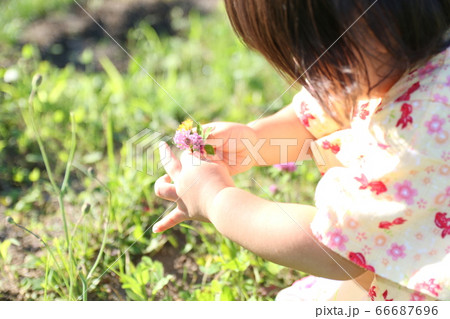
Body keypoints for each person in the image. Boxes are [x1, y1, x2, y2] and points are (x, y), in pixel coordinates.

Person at [153, 0, 450, 301]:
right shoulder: (386, 64)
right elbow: (313, 118)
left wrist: (215, 199)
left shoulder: (425, 125)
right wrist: (253, 141)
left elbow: (335, 249)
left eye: (313, 54)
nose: (310, 73)